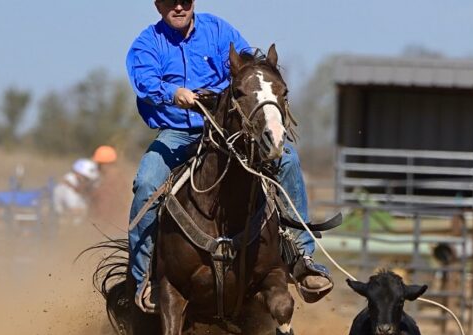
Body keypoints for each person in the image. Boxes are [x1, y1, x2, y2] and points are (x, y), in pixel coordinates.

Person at [126, 0, 332, 312]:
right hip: (178, 132)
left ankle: (302, 259)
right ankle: (145, 279)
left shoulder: (219, 31)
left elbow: (249, 68)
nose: (178, 7)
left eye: (185, 0)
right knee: (146, 182)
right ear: (158, 6)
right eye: (170, 2)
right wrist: (173, 92)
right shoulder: (147, 43)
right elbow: (145, 81)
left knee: (287, 158)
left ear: (194, 2)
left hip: (226, 131)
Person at [89, 145, 130, 225]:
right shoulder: (119, 176)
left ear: (103, 164)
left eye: (98, 164)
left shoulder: (110, 180)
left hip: (111, 225)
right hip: (118, 223)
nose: (97, 167)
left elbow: (104, 206)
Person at [52, 158, 99, 224]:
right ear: (77, 173)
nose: (86, 181)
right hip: (66, 222)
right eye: (85, 178)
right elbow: (73, 210)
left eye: (87, 179)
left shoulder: (85, 186)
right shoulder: (66, 185)